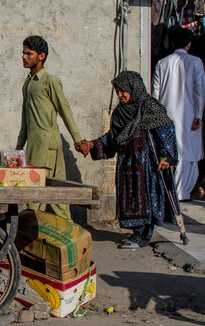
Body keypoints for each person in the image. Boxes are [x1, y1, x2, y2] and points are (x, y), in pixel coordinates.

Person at [77, 71, 180, 249]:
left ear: (134, 88)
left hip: (146, 164)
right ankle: (136, 234)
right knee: (130, 197)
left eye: (123, 90)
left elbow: (166, 130)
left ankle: (143, 236)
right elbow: (113, 137)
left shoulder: (149, 107)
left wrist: (167, 158)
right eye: (117, 90)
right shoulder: (120, 112)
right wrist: (93, 145)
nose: (120, 94)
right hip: (127, 162)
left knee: (145, 198)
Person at [15, 35, 89, 221]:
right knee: (43, 193)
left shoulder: (50, 82)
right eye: (23, 53)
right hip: (34, 145)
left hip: (48, 145)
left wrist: (78, 140)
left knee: (45, 195)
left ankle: (67, 239)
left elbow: (66, 112)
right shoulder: (28, 83)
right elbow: (25, 117)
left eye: (28, 53)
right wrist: (19, 145)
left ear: (41, 56)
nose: (24, 57)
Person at [152, 28, 205, 201]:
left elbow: (155, 94)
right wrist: (198, 115)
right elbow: (199, 91)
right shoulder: (196, 62)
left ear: (173, 43)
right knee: (189, 154)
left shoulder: (162, 63)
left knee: (168, 152)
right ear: (189, 44)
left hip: (166, 117)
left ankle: (169, 192)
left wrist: (156, 117)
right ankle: (182, 193)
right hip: (189, 116)